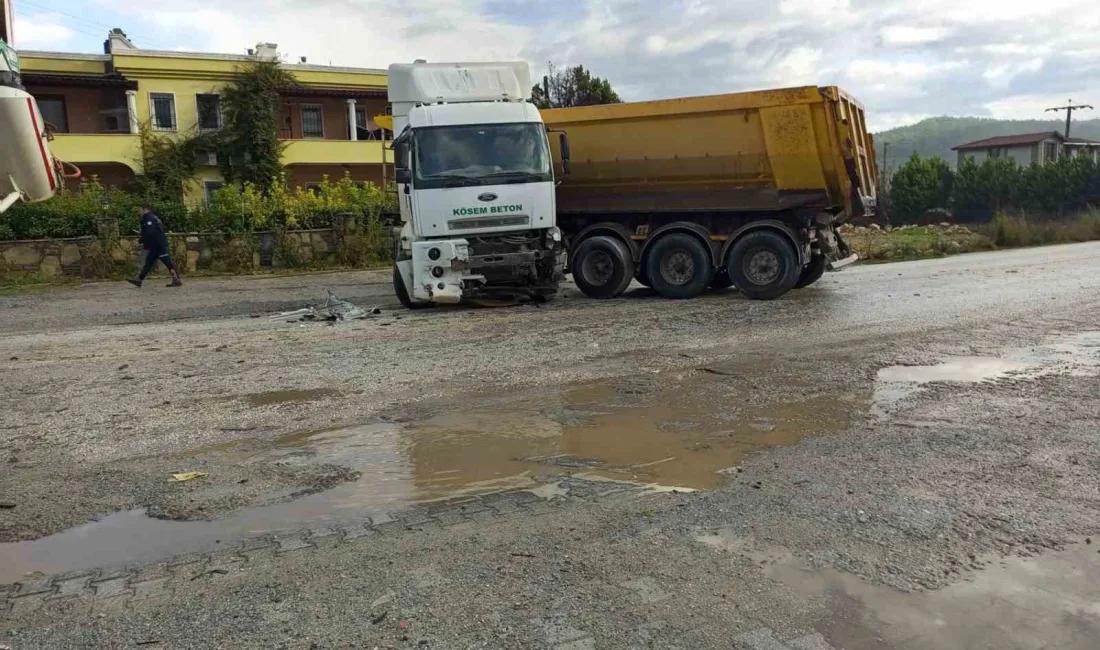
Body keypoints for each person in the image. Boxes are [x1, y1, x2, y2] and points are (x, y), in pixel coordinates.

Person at [127, 206, 182, 288]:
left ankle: (176, 280)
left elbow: (150, 231)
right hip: (155, 245)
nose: (139, 212)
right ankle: (139, 280)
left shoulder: (149, 218)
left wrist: (142, 239)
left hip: (158, 245)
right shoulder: (152, 218)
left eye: (140, 210)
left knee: (168, 262)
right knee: (148, 263)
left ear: (145, 210)